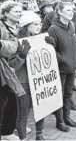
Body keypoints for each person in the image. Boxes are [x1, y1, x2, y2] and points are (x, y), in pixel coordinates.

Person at [10, 11, 54, 140]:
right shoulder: (16, 41)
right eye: (35, 24)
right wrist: (22, 55)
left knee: (41, 110)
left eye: (39, 24)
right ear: (26, 26)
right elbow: (13, 66)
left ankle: (39, 135)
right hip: (24, 81)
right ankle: (22, 137)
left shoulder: (42, 39)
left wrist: (51, 46)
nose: (38, 26)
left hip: (40, 80)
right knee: (23, 113)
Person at [47, 2, 76, 132]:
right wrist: (63, 59)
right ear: (59, 12)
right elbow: (51, 50)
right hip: (60, 68)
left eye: (72, 10)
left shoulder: (72, 25)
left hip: (72, 67)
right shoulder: (53, 29)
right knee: (59, 95)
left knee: (68, 94)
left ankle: (67, 117)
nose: (71, 12)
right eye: (68, 10)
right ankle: (59, 121)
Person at [0, 1, 24, 140]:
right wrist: (13, 45)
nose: (19, 13)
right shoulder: (1, 27)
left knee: (15, 101)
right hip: (4, 71)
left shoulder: (19, 27)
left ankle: (9, 129)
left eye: (20, 11)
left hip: (16, 68)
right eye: (16, 11)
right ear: (6, 13)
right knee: (6, 102)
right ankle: (5, 132)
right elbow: (7, 49)